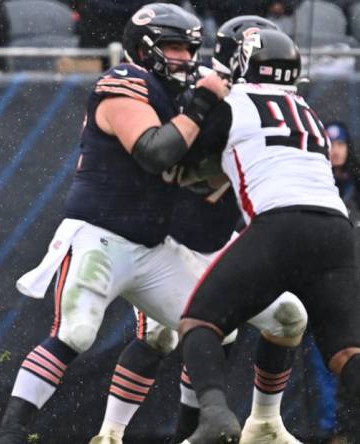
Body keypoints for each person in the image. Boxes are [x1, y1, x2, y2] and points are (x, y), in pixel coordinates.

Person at [0, 4, 258, 442]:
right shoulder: (124, 82)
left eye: (190, 49)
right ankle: (10, 433)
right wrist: (206, 100)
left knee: (212, 326)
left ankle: (189, 434)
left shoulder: (176, 95)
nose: (185, 59)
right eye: (173, 47)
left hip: (153, 245)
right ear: (144, 47)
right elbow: (154, 152)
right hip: (101, 236)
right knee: (75, 333)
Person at [89, 15, 306, 444]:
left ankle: (205, 433)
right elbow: (167, 155)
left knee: (235, 328)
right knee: (159, 335)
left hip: (223, 234)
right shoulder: (204, 92)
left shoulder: (256, 99)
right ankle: (110, 434)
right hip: (174, 235)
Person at [177, 29, 360, 443]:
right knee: (346, 353)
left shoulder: (232, 105)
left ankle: (216, 416)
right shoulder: (306, 110)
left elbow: (185, 161)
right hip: (335, 227)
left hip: (280, 223)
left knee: (199, 321)